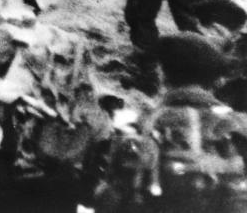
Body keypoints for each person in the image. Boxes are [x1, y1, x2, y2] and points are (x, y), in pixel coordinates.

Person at [94, 32, 247, 213]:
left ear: (162, 73)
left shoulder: (138, 125)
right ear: (213, 78)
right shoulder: (237, 125)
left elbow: (110, 198)